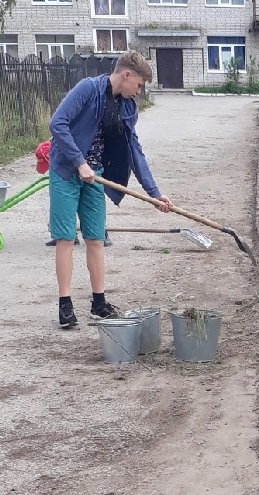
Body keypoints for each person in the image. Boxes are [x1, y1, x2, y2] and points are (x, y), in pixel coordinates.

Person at [47, 51, 172, 330]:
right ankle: (65, 305)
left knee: (96, 238)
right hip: (67, 171)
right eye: (139, 85)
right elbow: (57, 124)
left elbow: (133, 150)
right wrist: (79, 162)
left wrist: (154, 193)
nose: (139, 92)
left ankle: (99, 302)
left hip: (96, 176)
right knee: (66, 237)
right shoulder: (88, 89)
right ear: (126, 75)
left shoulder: (128, 107)